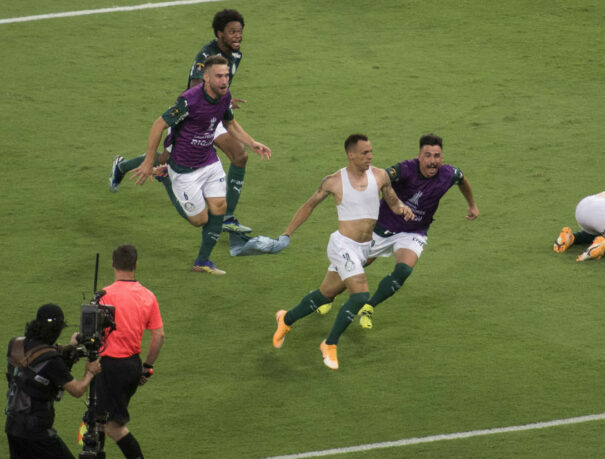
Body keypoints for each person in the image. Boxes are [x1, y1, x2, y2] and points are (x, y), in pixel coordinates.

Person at [271, 134, 414, 370]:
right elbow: (309, 206)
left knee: (324, 294)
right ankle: (330, 343)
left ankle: (285, 320)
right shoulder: (334, 181)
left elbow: (393, 201)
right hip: (342, 246)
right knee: (360, 295)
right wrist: (287, 233)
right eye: (364, 153)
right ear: (351, 154)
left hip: (363, 249)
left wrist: (402, 209)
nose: (370, 156)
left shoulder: (380, 176)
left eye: (371, 152)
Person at [110, 9, 258, 233]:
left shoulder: (236, 55)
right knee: (165, 161)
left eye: (240, 32)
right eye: (232, 32)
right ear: (220, 34)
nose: (237, 36)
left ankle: (227, 218)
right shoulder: (205, 56)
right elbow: (195, 88)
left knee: (240, 155)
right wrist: (223, 101)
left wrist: (225, 100)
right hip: (193, 116)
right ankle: (121, 167)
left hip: (214, 113)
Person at [316, 133, 479, 329]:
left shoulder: (449, 174)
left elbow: (462, 181)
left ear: (442, 158)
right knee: (352, 267)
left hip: (413, 231)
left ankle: (369, 306)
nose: (432, 161)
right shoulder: (405, 169)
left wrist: (472, 205)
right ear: (419, 156)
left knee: (403, 270)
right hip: (382, 227)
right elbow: (378, 179)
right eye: (428, 155)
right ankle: (328, 297)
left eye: (437, 156)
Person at [130, 55, 271, 275]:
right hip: (184, 169)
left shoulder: (225, 97)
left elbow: (230, 123)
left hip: (209, 161)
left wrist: (251, 143)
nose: (224, 80)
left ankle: (202, 261)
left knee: (219, 207)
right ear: (206, 78)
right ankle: (165, 177)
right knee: (199, 220)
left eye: (226, 75)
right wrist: (150, 161)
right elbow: (158, 124)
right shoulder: (189, 101)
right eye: (219, 76)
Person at [5, 304, 101, 459]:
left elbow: (38, 362)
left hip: (13, 426)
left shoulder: (16, 345)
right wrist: (90, 373)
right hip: (37, 431)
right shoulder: (53, 361)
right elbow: (77, 390)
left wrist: (69, 348)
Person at [94, 244, 165, 459]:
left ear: (113, 264)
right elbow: (158, 336)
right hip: (132, 366)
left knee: (113, 426)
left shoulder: (103, 296)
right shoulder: (148, 296)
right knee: (97, 420)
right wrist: (147, 367)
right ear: (135, 265)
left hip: (107, 367)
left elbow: (92, 335)